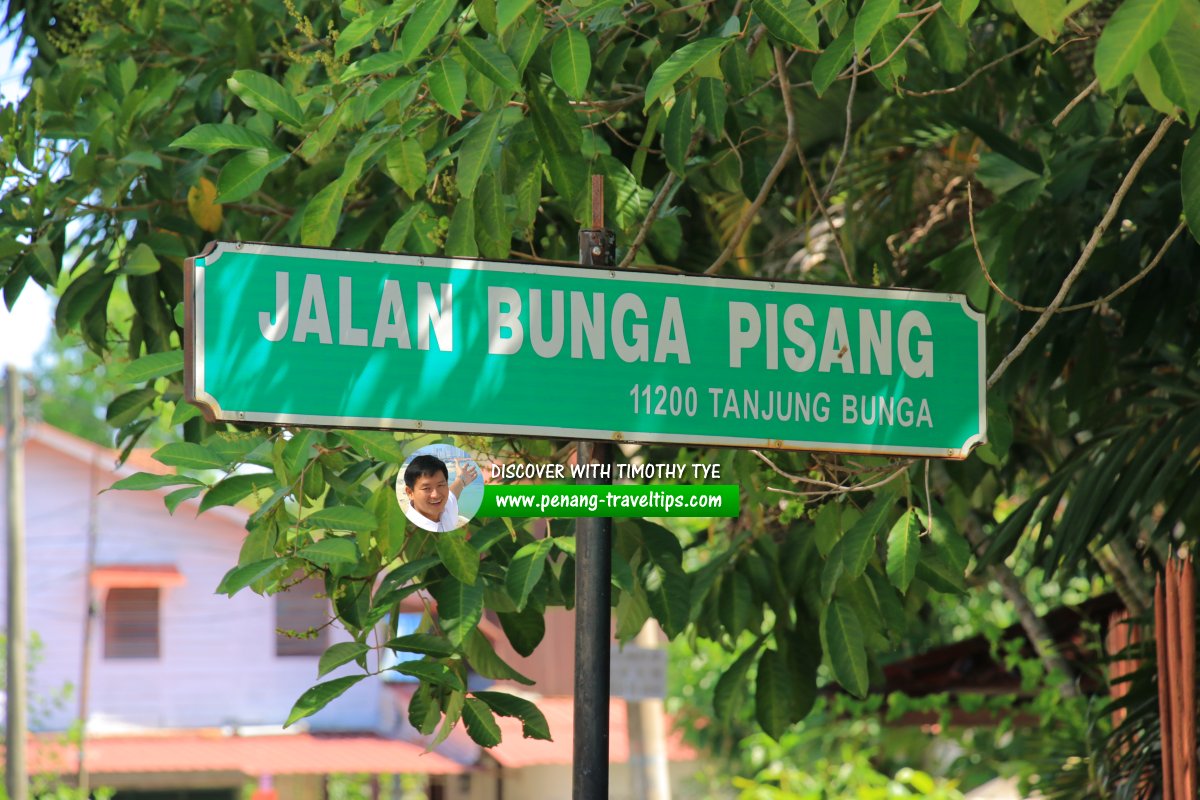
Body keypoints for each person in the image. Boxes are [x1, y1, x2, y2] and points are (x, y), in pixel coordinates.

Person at [400, 454, 478, 532]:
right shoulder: (407, 529)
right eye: (426, 488)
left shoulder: (446, 507)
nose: (436, 495)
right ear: (410, 493)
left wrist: (461, 479)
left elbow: (453, 493)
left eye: (440, 485)